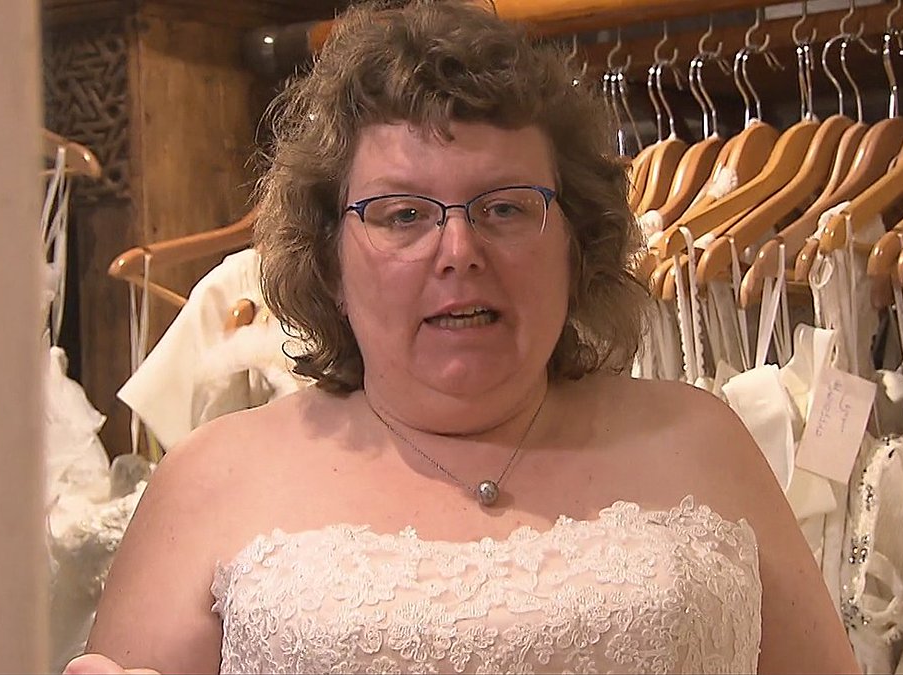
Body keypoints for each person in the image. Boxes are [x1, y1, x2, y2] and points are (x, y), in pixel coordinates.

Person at [66, 1, 857, 673]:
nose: (459, 250)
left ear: (575, 242)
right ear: (330, 260)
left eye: (505, 207)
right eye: (402, 214)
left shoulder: (703, 441)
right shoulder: (211, 480)